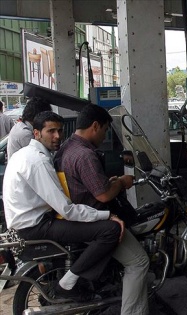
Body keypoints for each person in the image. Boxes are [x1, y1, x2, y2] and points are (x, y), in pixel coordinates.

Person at [3, 111, 123, 302]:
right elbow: (66, 209)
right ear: (36, 133)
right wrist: (106, 215)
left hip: (27, 222)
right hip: (36, 226)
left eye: (59, 131)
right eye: (51, 131)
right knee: (110, 230)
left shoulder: (26, 154)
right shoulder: (38, 161)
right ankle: (67, 284)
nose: (57, 136)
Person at [54, 104, 150, 315]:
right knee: (139, 261)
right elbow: (103, 194)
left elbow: (88, 184)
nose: (105, 134)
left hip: (77, 215)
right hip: (95, 219)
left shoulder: (68, 147)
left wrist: (108, 181)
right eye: (106, 129)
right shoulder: (85, 154)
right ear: (95, 126)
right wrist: (122, 182)